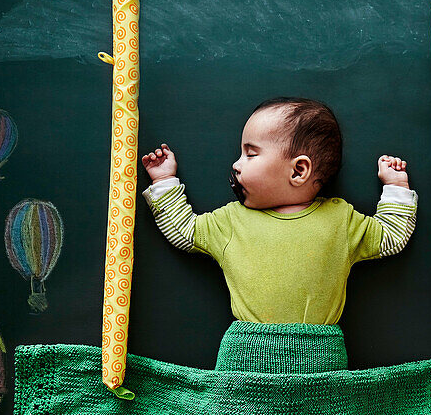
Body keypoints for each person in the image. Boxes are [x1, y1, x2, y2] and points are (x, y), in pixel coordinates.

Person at [140, 97, 417, 325]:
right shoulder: (232, 220)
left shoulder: (340, 221)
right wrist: (164, 181)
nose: (236, 165)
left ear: (298, 170)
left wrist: (396, 186)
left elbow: (391, 237)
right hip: (248, 355)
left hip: (319, 356)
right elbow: (183, 231)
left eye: (250, 154)